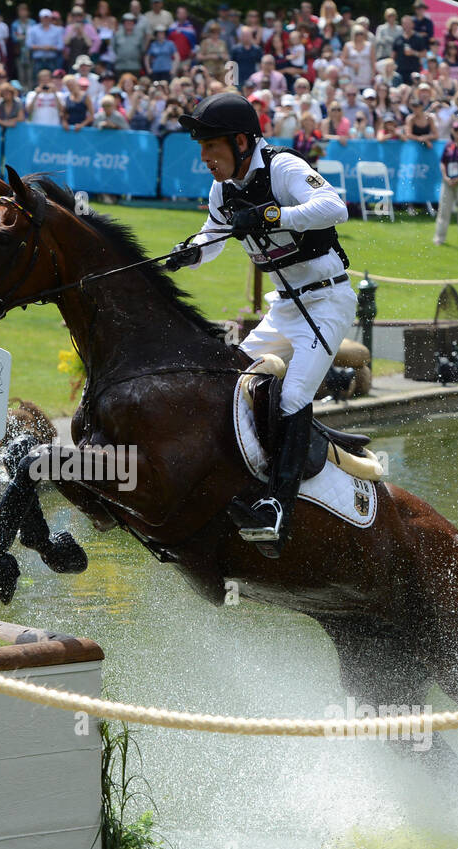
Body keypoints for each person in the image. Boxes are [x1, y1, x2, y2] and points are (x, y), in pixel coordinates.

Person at [165, 92, 355, 554]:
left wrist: (272, 214)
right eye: (201, 149)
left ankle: (277, 509)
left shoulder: (283, 167)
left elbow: (335, 207)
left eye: (212, 147)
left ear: (243, 141)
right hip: (284, 307)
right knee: (233, 381)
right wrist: (189, 251)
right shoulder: (221, 190)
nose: (205, 158)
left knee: (291, 397)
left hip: (327, 302)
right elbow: (213, 236)